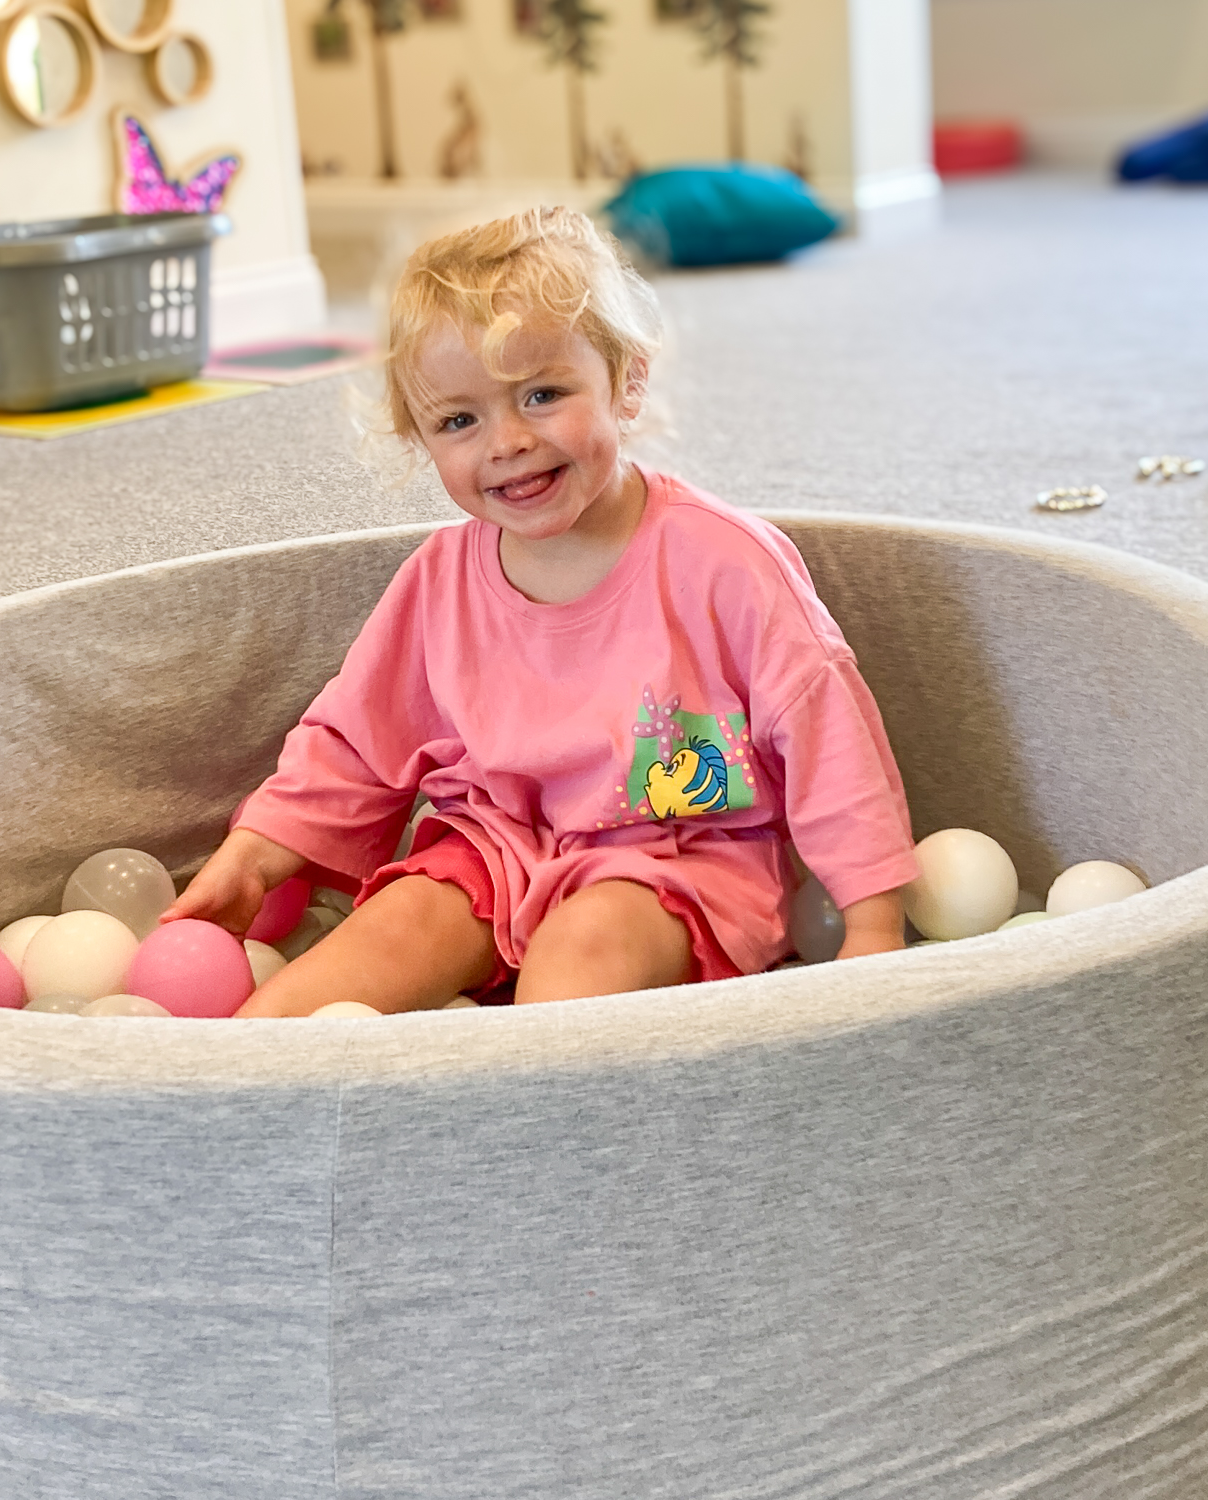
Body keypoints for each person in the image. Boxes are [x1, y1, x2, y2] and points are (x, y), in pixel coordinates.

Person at [162, 207, 918, 1015]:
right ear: (420, 437)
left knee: (579, 955)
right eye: (460, 420)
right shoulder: (439, 581)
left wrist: (873, 927)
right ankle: (257, 1085)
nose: (507, 441)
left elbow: (827, 736)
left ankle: (524, 1126)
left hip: (679, 860)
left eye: (542, 394)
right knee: (370, 947)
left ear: (626, 381)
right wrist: (254, 857)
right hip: (493, 850)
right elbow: (354, 744)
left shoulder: (726, 564)